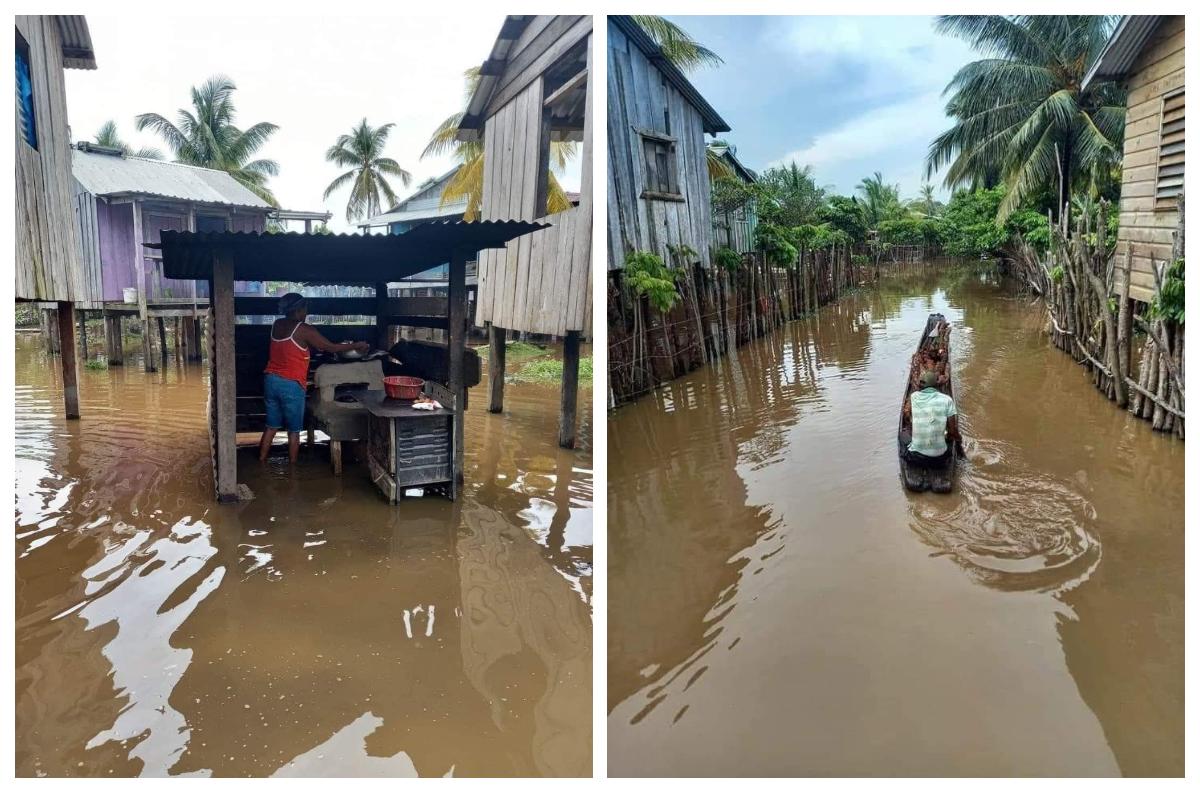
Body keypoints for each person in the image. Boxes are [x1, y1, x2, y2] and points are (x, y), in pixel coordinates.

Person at [259, 293, 368, 464]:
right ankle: (293, 470)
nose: (307, 313)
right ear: (299, 310)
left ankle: (261, 461)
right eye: (306, 309)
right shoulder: (304, 329)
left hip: (271, 381)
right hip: (291, 384)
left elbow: (291, 348)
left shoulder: (277, 324)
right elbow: (331, 347)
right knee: (294, 431)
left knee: (271, 426)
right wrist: (356, 345)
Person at [902, 368, 961, 466]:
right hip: (940, 459)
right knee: (948, 441)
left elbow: (907, 416)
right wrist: (959, 439)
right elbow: (952, 431)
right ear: (937, 385)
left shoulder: (914, 396)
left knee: (902, 436)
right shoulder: (947, 400)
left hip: (916, 458)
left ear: (922, 385)